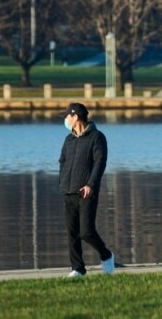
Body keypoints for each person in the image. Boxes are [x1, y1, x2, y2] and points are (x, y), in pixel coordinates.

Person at [58, 102, 116, 277]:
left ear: (76, 117)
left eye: (67, 116)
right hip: (68, 191)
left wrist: (91, 184)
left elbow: (100, 163)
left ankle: (106, 256)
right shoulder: (68, 139)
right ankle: (78, 268)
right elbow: (62, 161)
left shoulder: (97, 137)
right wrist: (62, 182)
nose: (65, 120)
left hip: (87, 192)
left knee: (86, 232)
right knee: (72, 233)